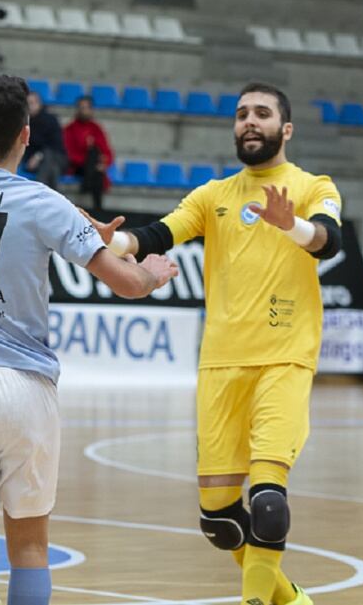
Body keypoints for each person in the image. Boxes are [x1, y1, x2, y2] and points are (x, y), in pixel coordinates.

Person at [0, 74, 178, 605]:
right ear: (26, 135)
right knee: (30, 543)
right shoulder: (45, 202)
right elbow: (130, 283)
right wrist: (154, 269)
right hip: (24, 387)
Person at [81, 82, 343, 605]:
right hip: (221, 365)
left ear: (284, 129)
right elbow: (156, 235)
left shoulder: (314, 186)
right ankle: (291, 600)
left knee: (268, 505)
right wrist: (111, 239)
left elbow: (328, 239)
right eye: (242, 113)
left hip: (284, 359)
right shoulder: (213, 194)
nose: (250, 121)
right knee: (220, 521)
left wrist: (289, 225)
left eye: (262, 114)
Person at [63, 96, 114, 211]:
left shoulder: (96, 129)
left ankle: (88, 185)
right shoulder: (69, 129)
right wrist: (86, 160)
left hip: (93, 167)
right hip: (77, 167)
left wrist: (103, 164)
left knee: (95, 160)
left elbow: (106, 151)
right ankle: (98, 211)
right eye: (82, 108)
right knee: (93, 158)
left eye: (87, 108)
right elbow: (68, 153)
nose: (84, 110)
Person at [22, 90, 66, 191]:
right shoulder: (24, 123)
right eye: (27, 104)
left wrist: (38, 156)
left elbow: (56, 146)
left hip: (57, 158)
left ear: (39, 103)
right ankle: (52, 199)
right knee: (53, 168)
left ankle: (39, 192)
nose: (30, 107)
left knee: (48, 156)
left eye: (32, 103)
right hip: (34, 163)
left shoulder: (51, 120)